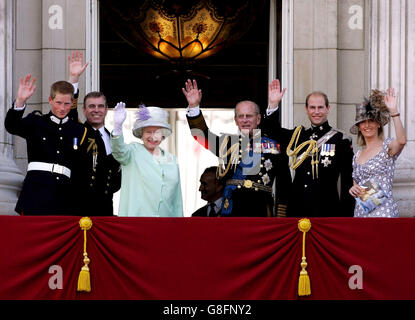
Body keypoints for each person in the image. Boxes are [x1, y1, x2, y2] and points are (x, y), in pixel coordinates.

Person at [182, 79, 292, 217]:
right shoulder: (228, 144)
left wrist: (281, 216)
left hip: (260, 211)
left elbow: (284, 184)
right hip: (232, 211)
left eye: (249, 116)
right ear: (235, 120)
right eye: (241, 116)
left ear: (258, 119)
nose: (245, 120)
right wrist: (194, 107)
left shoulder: (273, 145)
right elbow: (201, 135)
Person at [4, 75, 87, 215]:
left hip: (65, 198)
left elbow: (79, 169)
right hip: (36, 194)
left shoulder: (78, 131)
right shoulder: (36, 122)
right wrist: (20, 101)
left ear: (72, 102)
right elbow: (11, 126)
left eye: (67, 104)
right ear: (50, 100)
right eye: (58, 102)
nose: (62, 108)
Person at [269, 87, 355, 217]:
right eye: (312, 107)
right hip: (297, 208)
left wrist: (345, 214)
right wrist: (273, 104)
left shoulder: (340, 140)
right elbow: (273, 132)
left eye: (320, 107)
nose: (316, 112)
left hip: (327, 209)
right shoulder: (298, 135)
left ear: (328, 108)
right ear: (306, 109)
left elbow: (347, 180)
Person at [67, 51, 121, 216]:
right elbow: (70, 110)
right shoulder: (78, 131)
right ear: (84, 110)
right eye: (91, 106)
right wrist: (74, 78)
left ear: (106, 110)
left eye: (100, 106)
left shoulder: (114, 138)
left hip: (106, 208)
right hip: (80, 207)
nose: (96, 110)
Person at [110, 102, 183, 217]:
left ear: (162, 135)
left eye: (157, 132)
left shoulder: (172, 160)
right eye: (148, 132)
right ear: (141, 134)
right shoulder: (132, 152)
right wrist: (118, 128)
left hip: (165, 224)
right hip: (137, 223)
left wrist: (179, 224)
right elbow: (118, 150)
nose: (152, 137)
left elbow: (177, 199)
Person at [348, 88, 406, 217]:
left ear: (378, 124)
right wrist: (353, 189)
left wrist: (394, 112)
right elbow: (357, 185)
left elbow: (402, 141)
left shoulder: (387, 147)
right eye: (363, 122)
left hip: (384, 213)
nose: (367, 125)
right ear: (359, 127)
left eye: (371, 121)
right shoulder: (357, 155)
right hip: (361, 213)